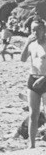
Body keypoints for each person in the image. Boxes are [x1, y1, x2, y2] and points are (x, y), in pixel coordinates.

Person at [20, 20, 46, 149]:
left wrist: (44, 78)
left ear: (44, 30)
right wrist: (26, 43)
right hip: (32, 79)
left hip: (45, 78)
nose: (35, 32)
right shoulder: (31, 44)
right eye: (32, 30)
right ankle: (32, 144)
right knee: (33, 113)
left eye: (38, 29)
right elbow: (23, 59)